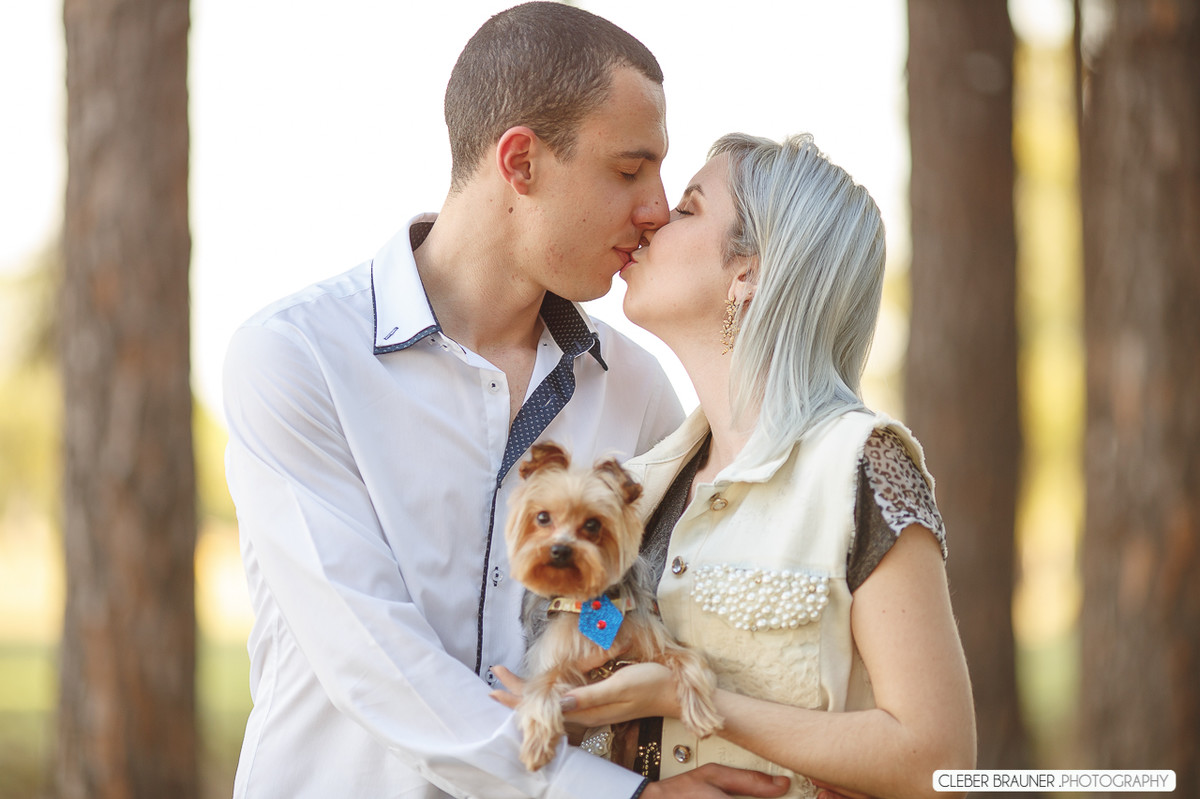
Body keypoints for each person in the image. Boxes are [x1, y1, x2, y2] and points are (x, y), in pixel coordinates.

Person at [223, 4, 792, 798]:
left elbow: (677, 618)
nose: (657, 207)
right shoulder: (298, 356)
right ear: (520, 162)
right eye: (630, 170)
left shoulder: (636, 390)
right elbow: (375, 661)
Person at [495, 133, 977, 799]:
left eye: (688, 209)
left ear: (749, 270)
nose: (654, 217)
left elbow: (937, 757)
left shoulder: (860, 463)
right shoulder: (635, 489)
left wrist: (690, 697)